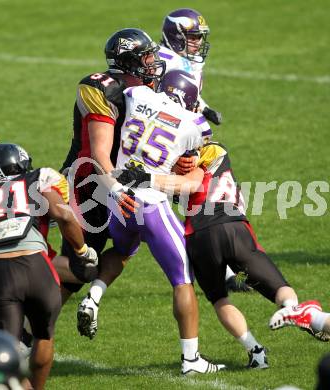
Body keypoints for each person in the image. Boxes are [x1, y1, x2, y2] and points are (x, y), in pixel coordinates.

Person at [115, 140, 330, 366]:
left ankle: (256, 352)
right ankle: (295, 310)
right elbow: (191, 177)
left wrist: (146, 178)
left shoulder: (183, 163)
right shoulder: (213, 152)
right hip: (233, 227)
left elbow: (184, 182)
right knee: (278, 287)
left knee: (219, 299)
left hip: (199, 237)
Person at [78, 69, 226, 375]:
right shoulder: (196, 124)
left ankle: (93, 297)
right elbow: (188, 163)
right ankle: (191, 359)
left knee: (122, 251)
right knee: (182, 278)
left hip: (118, 198)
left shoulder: (136, 95)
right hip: (152, 201)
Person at [56, 28, 165, 311]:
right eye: (146, 58)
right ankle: (25, 291)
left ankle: (41, 323)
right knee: (78, 267)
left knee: (126, 247)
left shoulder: (146, 91)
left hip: (124, 183)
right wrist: (115, 190)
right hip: (90, 184)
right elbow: (98, 151)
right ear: (128, 61)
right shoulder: (103, 88)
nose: (152, 63)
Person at [159, 9, 251, 292]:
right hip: (163, 143)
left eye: (200, 37)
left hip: (179, 138)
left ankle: (221, 271)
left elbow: (185, 94)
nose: (198, 42)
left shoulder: (185, 61)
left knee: (196, 198)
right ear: (176, 36)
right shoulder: (163, 61)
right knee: (182, 201)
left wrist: (204, 107)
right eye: (193, 36)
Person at [0, 143, 98, 389]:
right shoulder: (37, 177)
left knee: (4, 356)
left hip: (0, 274)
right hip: (38, 267)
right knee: (44, 337)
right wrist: (83, 251)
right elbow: (63, 215)